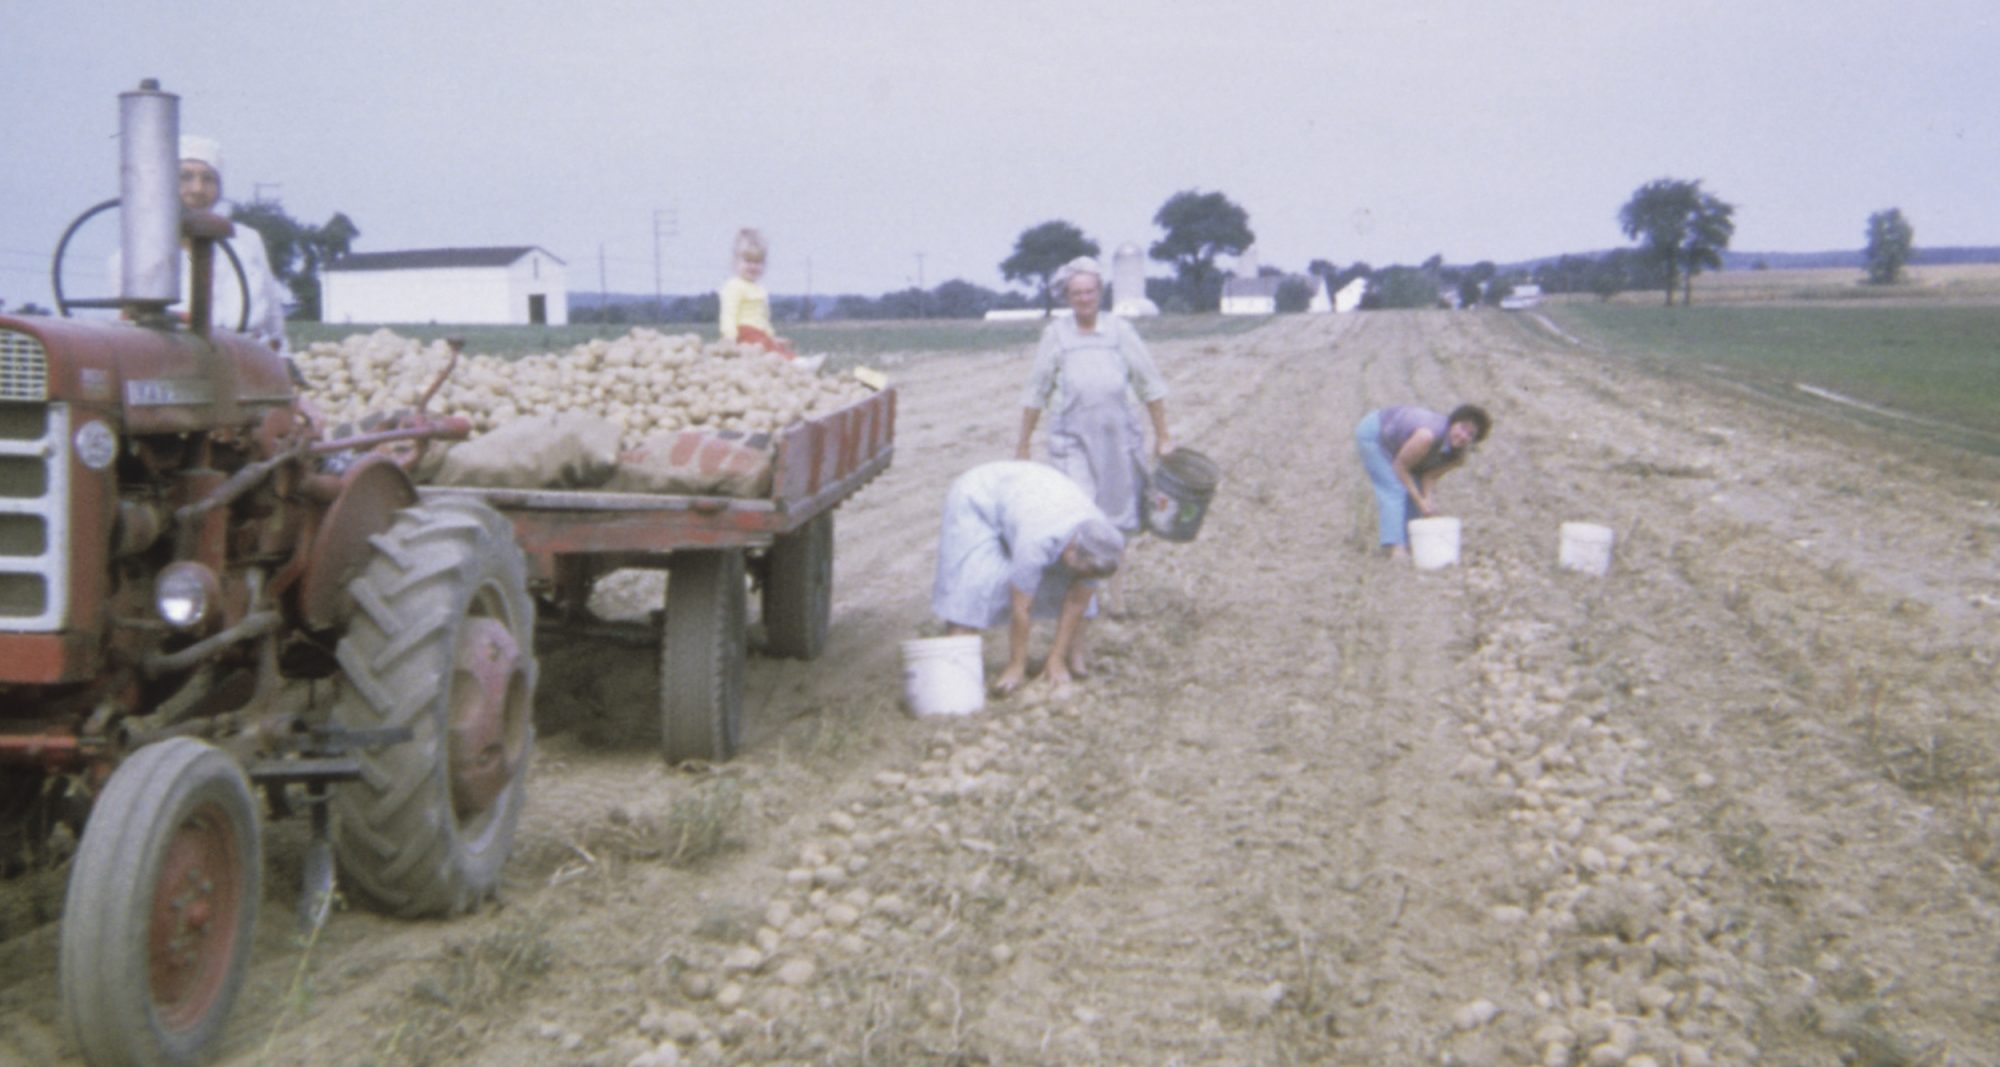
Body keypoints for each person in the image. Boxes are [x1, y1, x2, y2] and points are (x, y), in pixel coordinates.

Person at [930, 461, 1125, 696]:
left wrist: (1056, 658)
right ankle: (957, 671)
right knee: (972, 584)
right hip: (978, 499)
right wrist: (1016, 665)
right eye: (1082, 570)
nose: (1084, 577)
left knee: (1081, 593)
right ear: (1071, 549)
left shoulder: (1103, 541)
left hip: (1029, 496)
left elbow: (1077, 601)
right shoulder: (1036, 543)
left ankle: (1073, 659)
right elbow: (1022, 607)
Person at [172, 136, 290, 355]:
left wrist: (283, 356)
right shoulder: (142, 252)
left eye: (208, 179)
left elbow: (273, 315)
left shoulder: (245, 240)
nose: (197, 189)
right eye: (185, 178)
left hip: (244, 358)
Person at [1354, 403, 1492, 560]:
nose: (1463, 436)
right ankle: (1395, 548)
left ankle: (1412, 543)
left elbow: (1428, 476)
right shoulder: (1426, 435)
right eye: (1462, 427)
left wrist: (1427, 500)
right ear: (1453, 422)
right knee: (1394, 488)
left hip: (1402, 446)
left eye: (1470, 434)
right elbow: (1400, 467)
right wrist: (1420, 500)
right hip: (1376, 435)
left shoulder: (1458, 457)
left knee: (1416, 489)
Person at [718, 228, 798, 359]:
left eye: (758, 262)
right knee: (763, 345)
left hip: (759, 333)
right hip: (743, 332)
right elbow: (729, 313)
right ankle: (793, 363)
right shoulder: (734, 286)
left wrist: (772, 337)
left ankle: (794, 362)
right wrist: (729, 337)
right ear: (735, 262)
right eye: (748, 261)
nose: (753, 267)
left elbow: (763, 319)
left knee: (774, 345)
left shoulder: (759, 289)